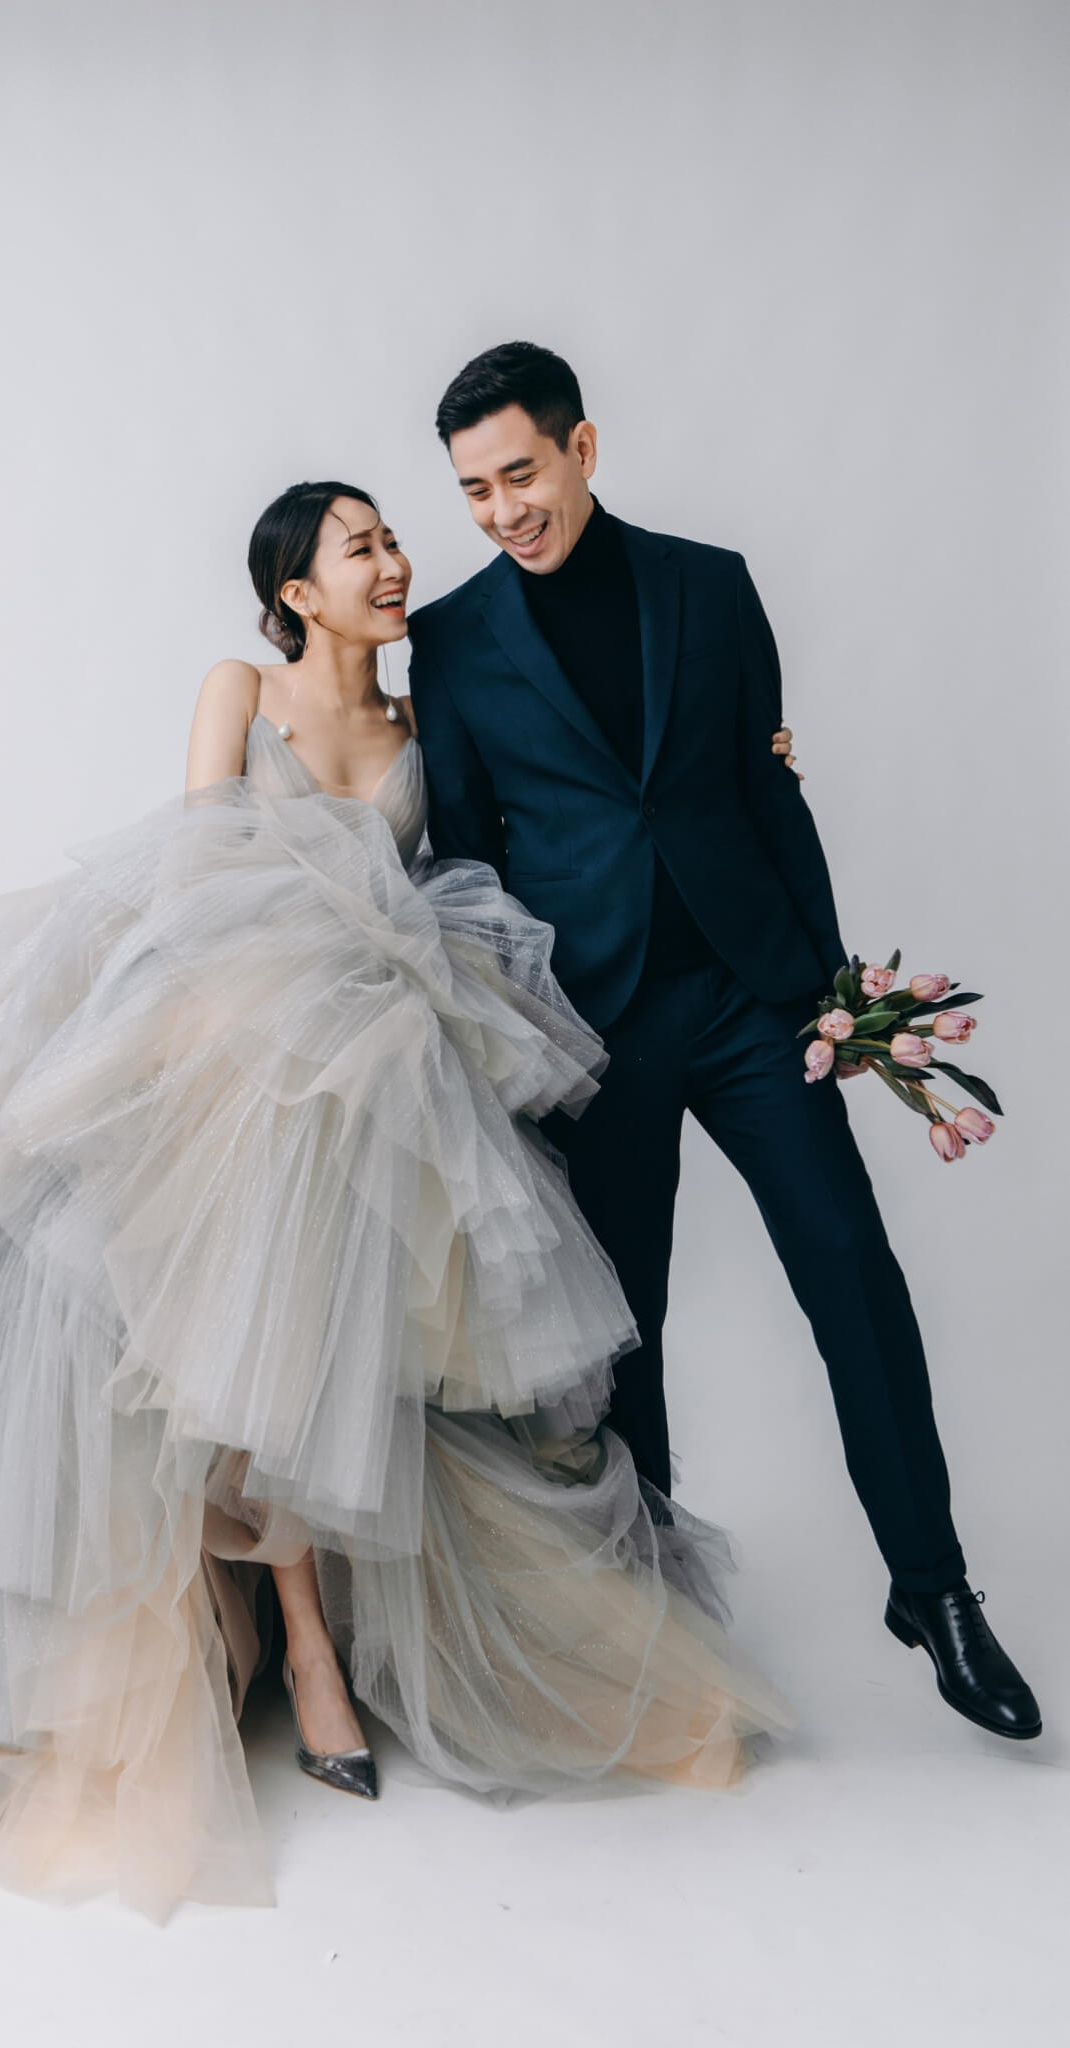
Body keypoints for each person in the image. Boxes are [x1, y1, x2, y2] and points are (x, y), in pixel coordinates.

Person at [0, 480, 800, 1924]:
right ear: (296, 590)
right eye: (364, 548)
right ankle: (298, 1636)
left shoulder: (424, 723)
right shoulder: (240, 687)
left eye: (392, 542)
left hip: (378, 1054)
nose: (395, 564)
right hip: (237, 1025)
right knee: (239, 1238)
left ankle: (319, 1628)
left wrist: (742, 758)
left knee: (336, 1278)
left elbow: (501, 848)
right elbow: (194, 874)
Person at [408, 341, 1040, 1742]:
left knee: (854, 1278)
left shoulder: (710, 584)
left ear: (581, 448)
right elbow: (465, 864)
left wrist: (830, 987)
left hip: (754, 1005)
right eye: (473, 491)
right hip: (596, 1027)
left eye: (520, 473)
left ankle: (933, 1589)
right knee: (625, 1331)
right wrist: (515, 1048)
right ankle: (660, 1620)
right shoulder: (449, 641)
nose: (503, 510)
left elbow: (768, 793)